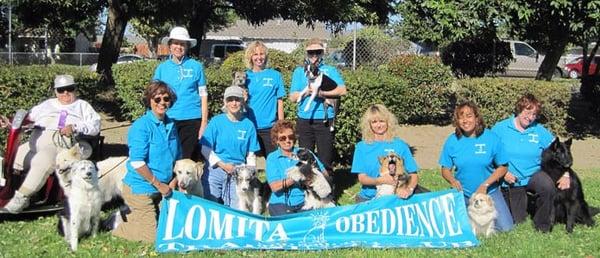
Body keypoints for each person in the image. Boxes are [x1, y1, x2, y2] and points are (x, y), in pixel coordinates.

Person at [0, 75, 101, 213]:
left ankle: (22, 198)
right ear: (55, 91)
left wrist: (75, 127)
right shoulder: (46, 104)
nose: (65, 93)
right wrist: (10, 122)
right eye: (61, 90)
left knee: (42, 159)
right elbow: (28, 119)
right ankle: (9, 190)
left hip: (64, 142)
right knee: (11, 156)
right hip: (36, 141)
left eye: (69, 89)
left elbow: (95, 126)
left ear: (75, 89)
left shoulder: (82, 106)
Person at [112, 81, 181, 243]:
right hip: (140, 188)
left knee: (170, 228)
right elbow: (137, 163)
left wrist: (174, 180)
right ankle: (116, 225)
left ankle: (134, 216)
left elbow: (178, 158)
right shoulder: (141, 126)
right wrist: (159, 184)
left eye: (166, 99)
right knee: (152, 238)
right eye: (157, 99)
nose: (162, 103)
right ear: (149, 101)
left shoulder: (172, 124)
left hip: (165, 188)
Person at [491, 93, 563, 232]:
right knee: (518, 220)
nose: (530, 117)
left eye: (534, 114)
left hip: (534, 175)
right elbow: (489, 155)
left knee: (547, 186)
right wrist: (502, 173)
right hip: (512, 180)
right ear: (519, 109)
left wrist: (564, 174)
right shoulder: (500, 128)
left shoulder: (539, 130)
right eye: (527, 112)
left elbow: (559, 151)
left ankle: (543, 226)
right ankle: (528, 205)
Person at [439, 101, 514, 232]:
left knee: (506, 228)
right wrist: (452, 180)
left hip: (488, 193)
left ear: (477, 118)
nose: (465, 120)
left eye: (469, 116)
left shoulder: (491, 138)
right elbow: (445, 168)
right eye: (461, 117)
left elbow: (503, 166)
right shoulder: (452, 141)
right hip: (463, 193)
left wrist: (485, 185)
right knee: (453, 228)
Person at [289, 38, 346, 172]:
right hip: (304, 119)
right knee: (304, 157)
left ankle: (327, 189)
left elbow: (342, 90)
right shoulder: (299, 71)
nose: (314, 55)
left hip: (324, 119)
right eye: (311, 52)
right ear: (306, 53)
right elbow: (292, 97)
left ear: (322, 53)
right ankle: (306, 190)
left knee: (325, 158)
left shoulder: (330, 70)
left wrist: (321, 93)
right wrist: (306, 93)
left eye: (318, 52)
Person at [200, 86, 260, 208]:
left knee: (237, 210)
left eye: (237, 99)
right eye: (230, 99)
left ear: (242, 102)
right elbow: (205, 149)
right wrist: (222, 165)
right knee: (211, 206)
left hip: (238, 172)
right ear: (225, 102)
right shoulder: (216, 121)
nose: (234, 103)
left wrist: (250, 173)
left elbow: (251, 154)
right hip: (215, 169)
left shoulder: (249, 125)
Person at [153, 26, 208, 161]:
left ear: (187, 46)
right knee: (168, 157)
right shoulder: (162, 68)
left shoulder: (196, 66)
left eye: (182, 44)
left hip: (192, 119)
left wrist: (204, 123)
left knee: (186, 159)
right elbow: (154, 95)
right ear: (170, 46)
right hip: (168, 118)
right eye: (176, 43)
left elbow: (204, 95)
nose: (179, 47)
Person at [351, 104, 423, 203]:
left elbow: (413, 175)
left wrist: (408, 190)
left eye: (382, 121)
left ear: (388, 122)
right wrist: (381, 181)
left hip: (396, 197)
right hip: (368, 199)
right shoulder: (361, 147)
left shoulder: (400, 145)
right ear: (369, 124)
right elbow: (362, 178)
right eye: (374, 122)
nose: (379, 125)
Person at [265, 120, 327, 216]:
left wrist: (314, 177)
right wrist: (297, 176)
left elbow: (324, 173)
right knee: (288, 225)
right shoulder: (272, 158)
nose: (287, 140)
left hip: (306, 199)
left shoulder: (305, 153)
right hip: (280, 202)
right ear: (276, 140)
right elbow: (275, 187)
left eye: (291, 137)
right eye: (282, 138)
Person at [243, 41, 286, 157]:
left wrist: (281, 124)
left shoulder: (275, 75)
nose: (259, 57)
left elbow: (280, 101)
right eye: (255, 54)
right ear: (250, 57)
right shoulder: (245, 76)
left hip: (269, 127)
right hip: (249, 125)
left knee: (274, 159)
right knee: (248, 161)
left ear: (266, 56)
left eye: (261, 54)